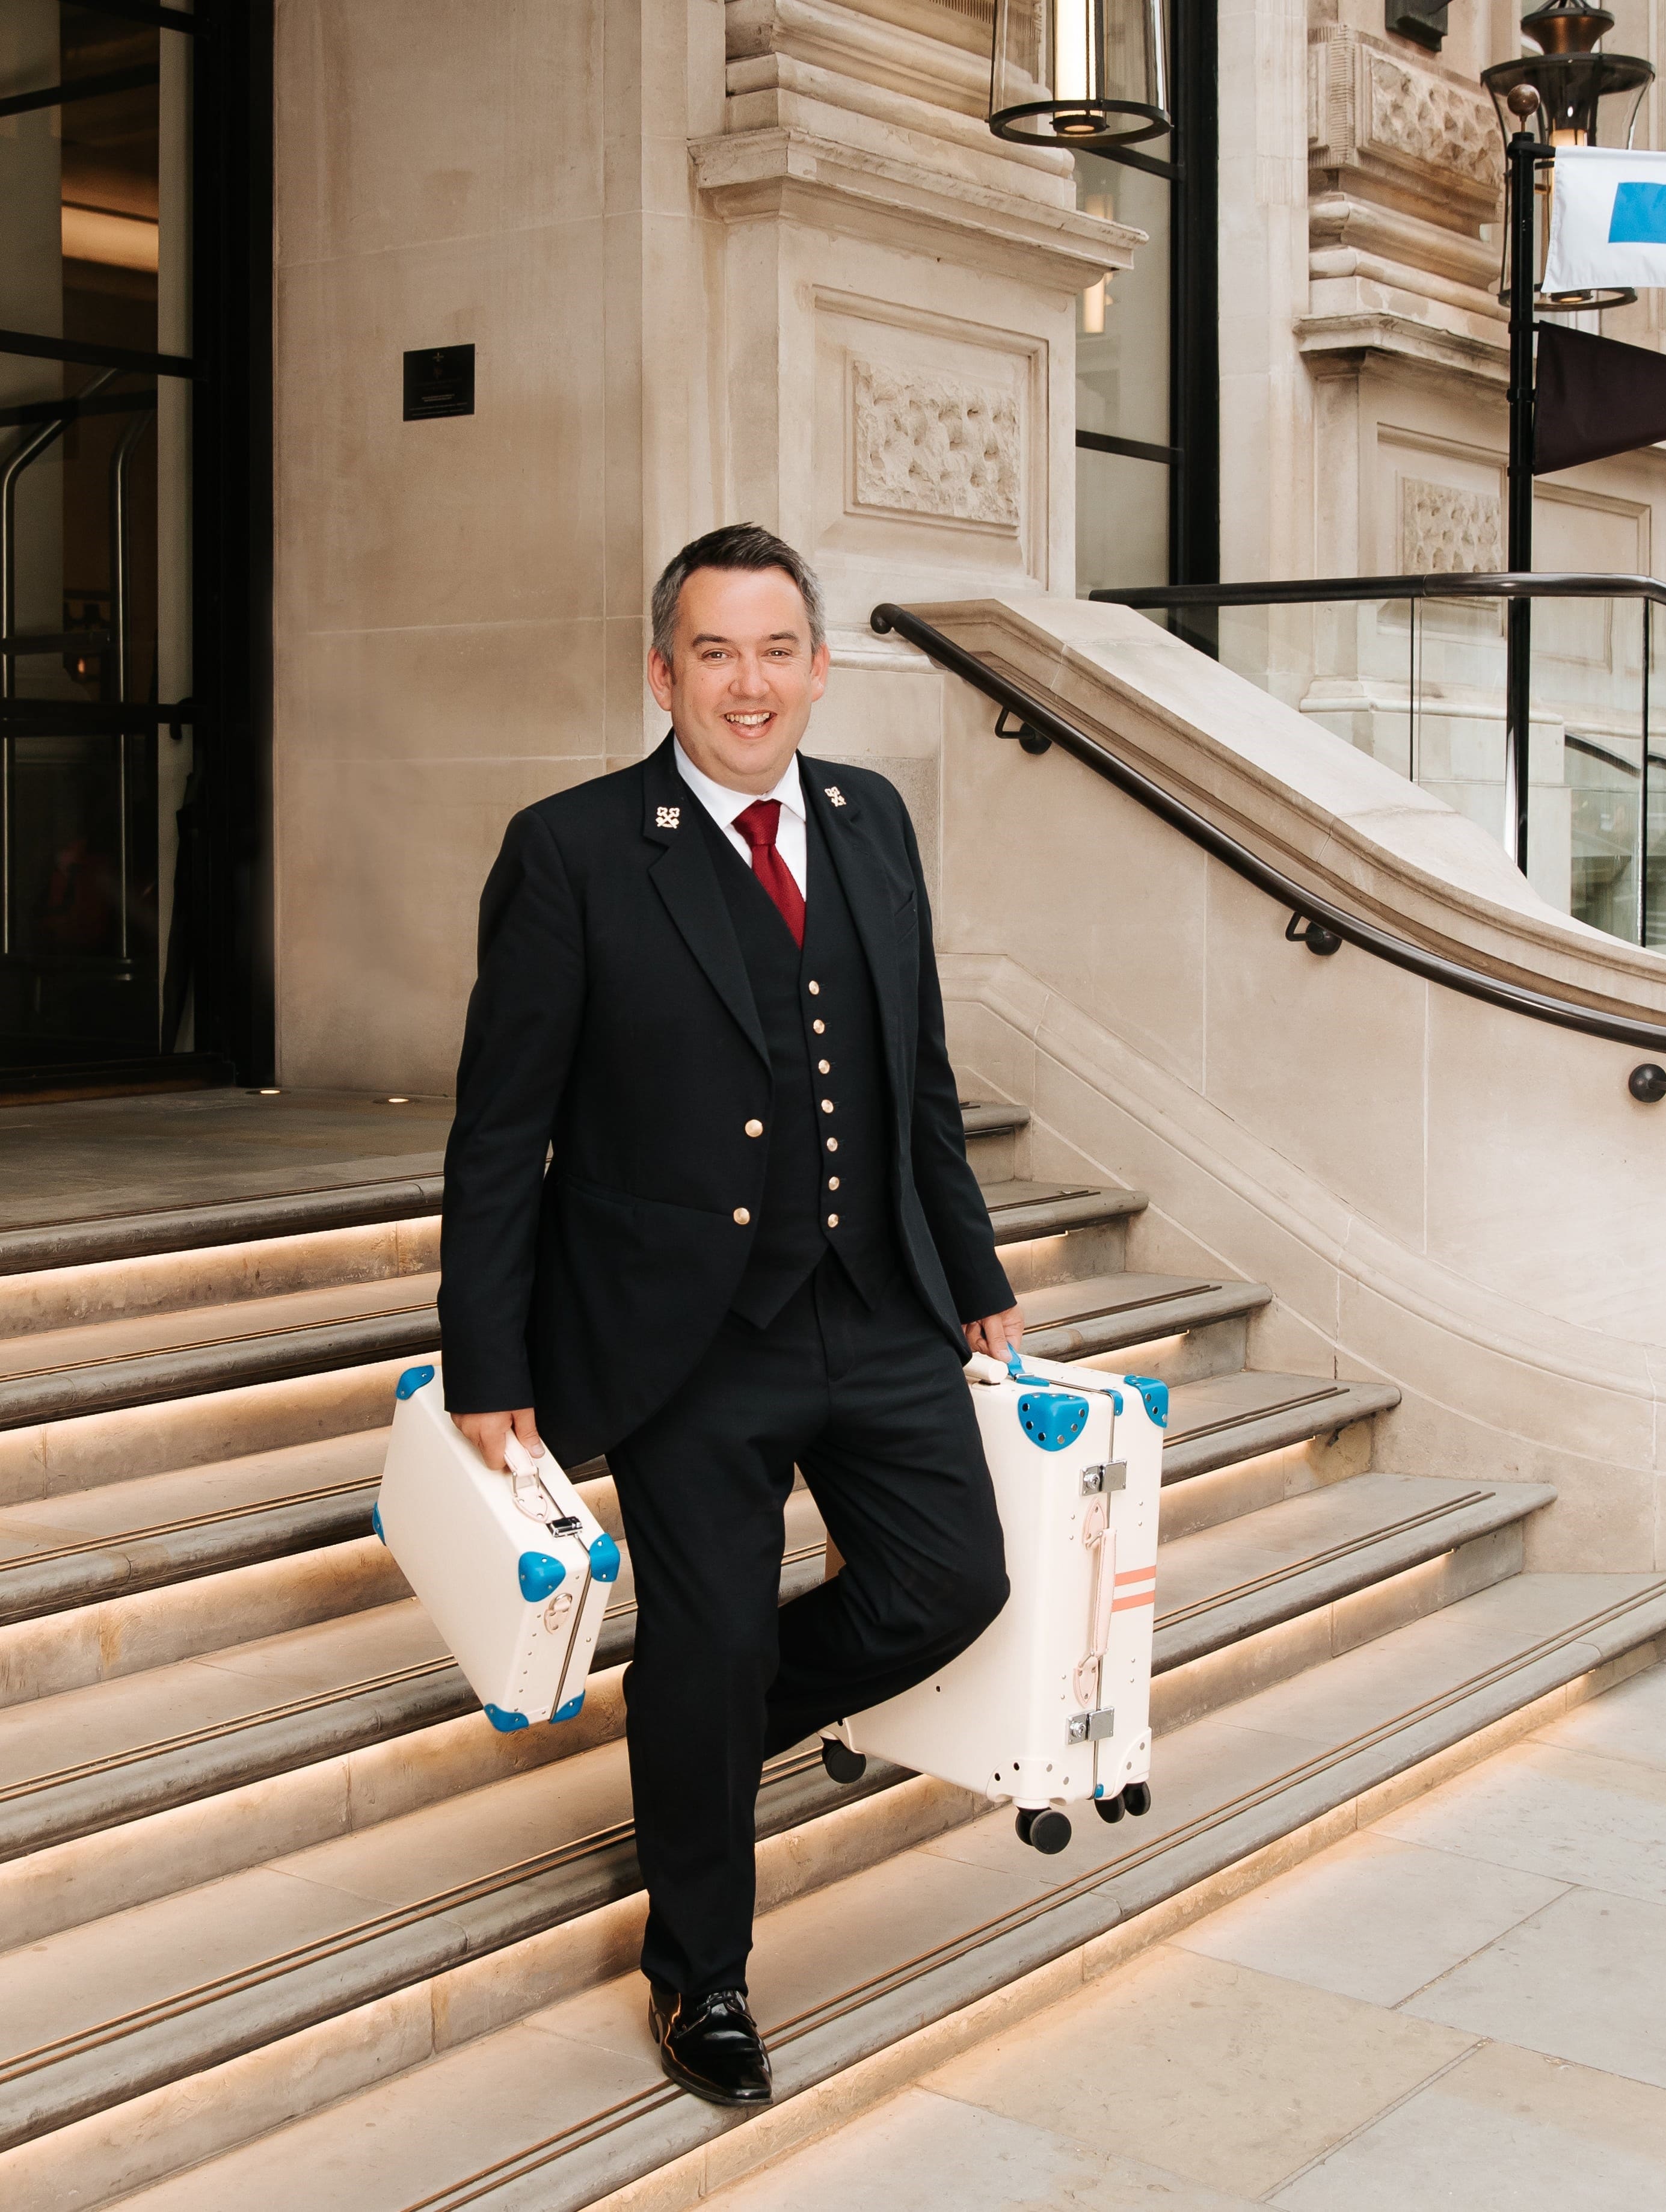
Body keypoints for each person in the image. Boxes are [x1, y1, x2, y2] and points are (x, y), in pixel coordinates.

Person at [438, 523, 1021, 2109]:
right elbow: (505, 1134)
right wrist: (486, 1354)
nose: (748, 684)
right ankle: (703, 1976)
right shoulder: (570, 851)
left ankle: (700, 1730)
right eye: (714, 651)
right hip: (683, 1340)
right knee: (702, 1638)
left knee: (953, 1583)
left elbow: (919, 1079)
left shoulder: (874, 820)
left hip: (880, 1301)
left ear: (818, 671)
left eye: (777, 652)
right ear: (663, 670)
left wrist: (969, 1273)